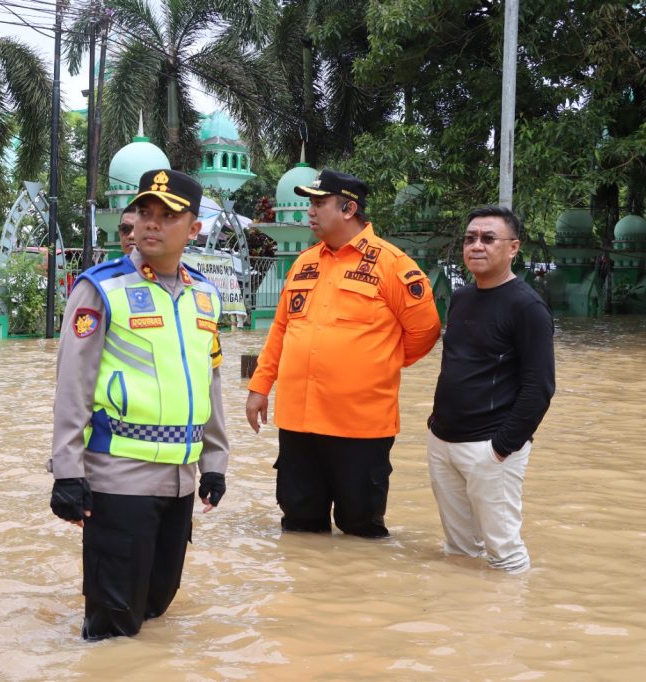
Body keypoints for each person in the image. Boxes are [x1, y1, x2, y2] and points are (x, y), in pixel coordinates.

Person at [49, 169, 228, 640]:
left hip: (180, 484)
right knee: (113, 626)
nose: (152, 223)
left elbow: (208, 382)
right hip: (118, 479)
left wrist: (214, 464)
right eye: (146, 212)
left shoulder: (205, 296)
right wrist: (67, 472)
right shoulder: (101, 288)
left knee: (156, 607)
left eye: (168, 216)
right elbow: (73, 384)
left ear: (194, 229)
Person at [245, 169, 441, 538]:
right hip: (299, 422)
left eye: (319, 203)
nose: (310, 211)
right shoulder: (304, 263)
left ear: (348, 209)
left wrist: (378, 364)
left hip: (360, 425)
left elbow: (425, 332)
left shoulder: (392, 265)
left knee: (361, 530)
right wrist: (259, 388)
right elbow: (281, 331)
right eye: (310, 203)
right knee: (300, 527)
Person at [427, 206, 554, 573]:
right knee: (458, 550)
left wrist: (501, 448)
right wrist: (435, 427)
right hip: (443, 441)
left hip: (490, 448)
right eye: (470, 239)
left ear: (513, 248)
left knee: (505, 555)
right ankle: (466, 608)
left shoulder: (527, 306)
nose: (476, 246)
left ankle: (512, 610)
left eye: (488, 238)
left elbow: (540, 386)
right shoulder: (462, 297)